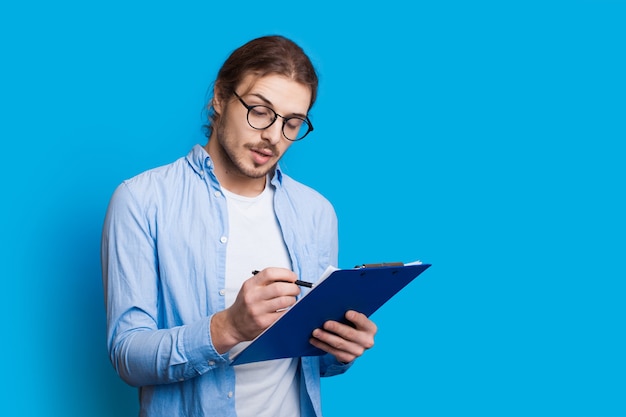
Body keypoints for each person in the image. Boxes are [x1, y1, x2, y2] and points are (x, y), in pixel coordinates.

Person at [101, 35, 378, 417]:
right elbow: (127, 355)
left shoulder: (317, 212)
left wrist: (340, 349)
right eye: (260, 110)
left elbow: (312, 361)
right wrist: (227, 328)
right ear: (220, 97)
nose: (273, 136)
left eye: (293, 122)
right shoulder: (142, 200)